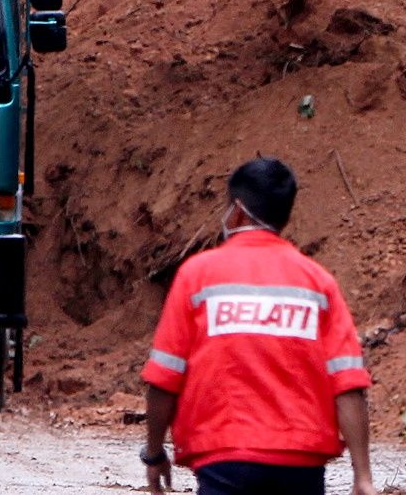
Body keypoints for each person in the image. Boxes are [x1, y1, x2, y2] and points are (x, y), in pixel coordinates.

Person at [141, 158, 377, 495]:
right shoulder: (317, 283)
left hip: (224, 455)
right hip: (301, 461)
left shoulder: (198, 276)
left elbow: (165, 376)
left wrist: (153, 453)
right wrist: (362, 476)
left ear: (237, 211)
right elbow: (347, 384)